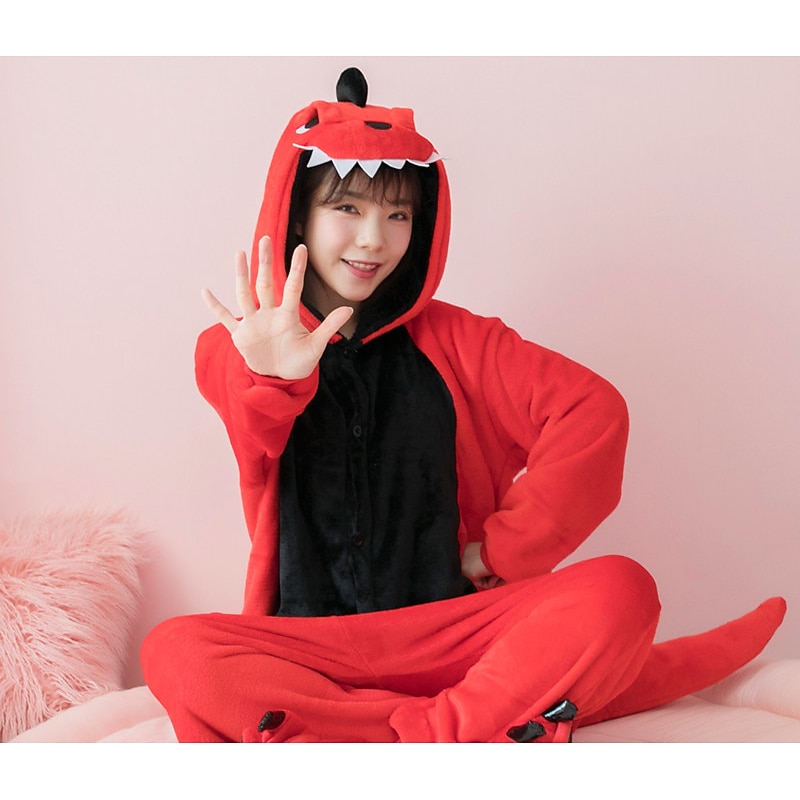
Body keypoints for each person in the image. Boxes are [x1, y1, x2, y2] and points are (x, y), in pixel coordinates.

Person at [141, 67, 785, 743]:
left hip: (458, 634)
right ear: (299, 212)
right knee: (175, 651)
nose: (374, 240)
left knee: (621, 590)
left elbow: (593, 414)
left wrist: (501, 552)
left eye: (398, 215)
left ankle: (413, 733)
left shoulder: (462, 342)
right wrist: (273, 375)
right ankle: (478, 720)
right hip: (313, 649)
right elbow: (250, 410)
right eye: (348, 210)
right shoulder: (236, 346)